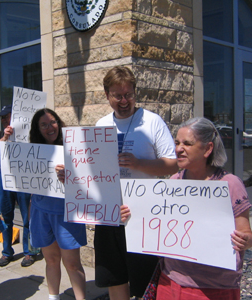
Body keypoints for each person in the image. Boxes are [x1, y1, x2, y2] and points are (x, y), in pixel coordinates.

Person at [121, 117, 252, 299]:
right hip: (171, 280)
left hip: (214, 287)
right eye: (177, 142)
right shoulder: (173, 182)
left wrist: (245, 240)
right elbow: (158, 226)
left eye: (187, 143)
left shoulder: (230, 185)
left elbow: (247, 233)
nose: (178, 149)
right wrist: (132, 217)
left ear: (208, 149)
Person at [95, 66, 178, 300]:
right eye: (117, 95)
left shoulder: (152, 121)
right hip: (110, 215)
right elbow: (91, 170)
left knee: (145, 284)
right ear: (107, 95)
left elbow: (173, 164)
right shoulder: (101, 124)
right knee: (115, 278)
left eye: (129, 94)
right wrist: (70, 177)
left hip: (143, 217)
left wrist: (139, 164)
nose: (124, 101)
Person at [29, 108, 87, 300]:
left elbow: (88, 180)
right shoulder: (31, 151)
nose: (49, 127)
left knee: (72, 263)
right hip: (40, 211)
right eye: (43, 124)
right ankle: (53, 297)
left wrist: (70, 176)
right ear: (38, 129)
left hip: (66, 212)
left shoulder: (74, 147)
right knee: (51, 260)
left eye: (53, 122)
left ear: (59, 123)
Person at [0, 105, 34, 267]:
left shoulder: (28, 134)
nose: (4, 120)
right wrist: (3, 139)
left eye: (7, 116)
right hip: (4, 180)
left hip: (24, 180)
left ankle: (29, 252)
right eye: (2, 118)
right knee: (5, 217)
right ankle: (7, 252)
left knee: (27, 217)